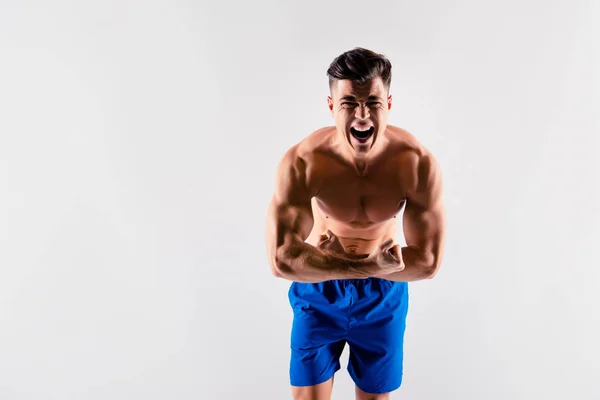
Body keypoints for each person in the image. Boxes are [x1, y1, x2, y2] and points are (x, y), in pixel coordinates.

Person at [265, 47, 446, 400]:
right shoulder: (303, 162)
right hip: (319, 287)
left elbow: (428, 262)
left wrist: (365, 270)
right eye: (349, 103)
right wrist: (364, 266)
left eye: (373, 103)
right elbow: (280, 259)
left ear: (389, 105)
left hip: (384, 292)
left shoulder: (415, 164)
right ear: (332, 106)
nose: (362, 116)